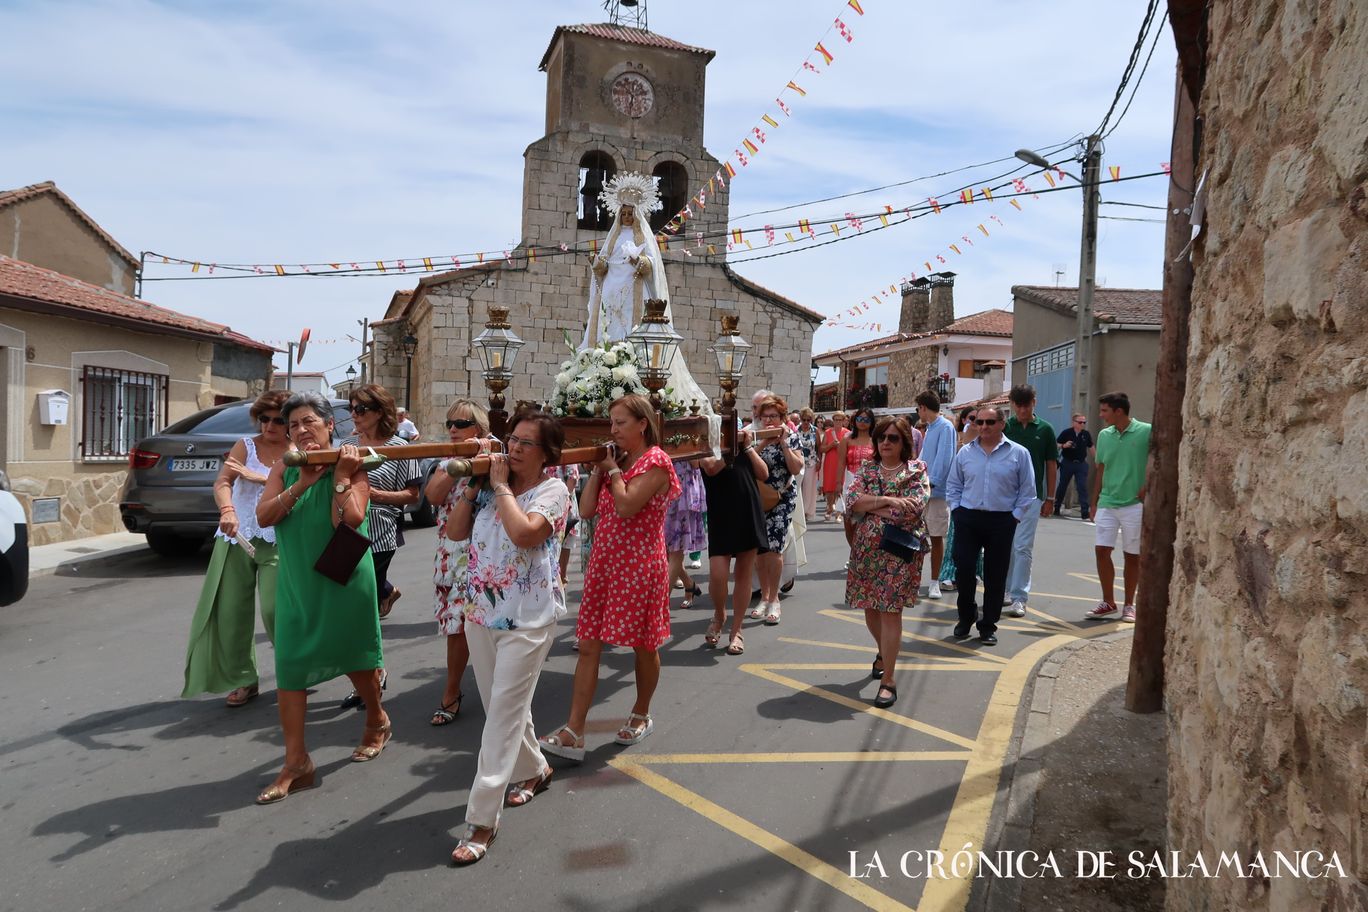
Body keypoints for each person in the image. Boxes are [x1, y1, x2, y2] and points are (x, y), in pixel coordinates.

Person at [443, 411, 569, 866]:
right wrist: (475, 486)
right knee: (507, 708)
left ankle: (481, 819)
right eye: (511, 440)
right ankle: (536, 768)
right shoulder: (485, 488)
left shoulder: (554, 491)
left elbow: (524, 534)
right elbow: (455, 533)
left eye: (525, 444)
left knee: (499, 720)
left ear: (547, 455)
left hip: (529, 620)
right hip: (482, 613)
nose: (513, 449)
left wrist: (498, 488)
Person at [253, 392, 386, 805]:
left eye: (309, 421)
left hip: (343, 579)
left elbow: (348, 520)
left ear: (331, 425)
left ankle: (377, 720)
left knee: (356, 659)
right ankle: (297, 763)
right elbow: (264, 516)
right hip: (298, 584)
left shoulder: (352, 463)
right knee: (290, 666)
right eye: (293, 425)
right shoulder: (284, 468)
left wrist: (340, 476)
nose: (300, 430)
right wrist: (304, 483)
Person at [539, 395, 680, 760]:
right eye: (611, 423)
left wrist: (613, 472)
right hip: (605, 565)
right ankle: (575, 729)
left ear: (642, 424)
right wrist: (601, 470)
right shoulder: (615, 461)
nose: (613, 430)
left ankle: (641, 712)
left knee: (643, 645)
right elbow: (586, 510)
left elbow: (628, 504)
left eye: (620, 423)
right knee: (588, 644)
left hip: (640, 566)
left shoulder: (657, 462)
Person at [182, 389, 292, 707]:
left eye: (278, 419)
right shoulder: (245, 445)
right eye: (264, 418)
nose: (269, 425)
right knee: (231, 613)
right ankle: (243, 678)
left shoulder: (295, 450)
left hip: (278, 537)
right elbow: (223, 481)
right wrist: (227, 510)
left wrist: (256, 477)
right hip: (238, 536)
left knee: (277, 610)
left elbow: (295, 484)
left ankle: (295, 671)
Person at [581, 172, 710, 411]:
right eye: (624, 213)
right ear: (619, 214)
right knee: (606, 331)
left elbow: (651, 266)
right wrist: (596, 263)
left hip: (634, 292)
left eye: (631, 213)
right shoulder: (613, 237)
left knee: (633, 333)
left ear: (637, 214)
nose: (628, 217)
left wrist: (637, 261)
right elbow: (603, 266)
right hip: (611, 291)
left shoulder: (644, 235)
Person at [338, 384, 420, 710]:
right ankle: (365, 677)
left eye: (361, 410)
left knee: (361, 610)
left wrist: (374, 496)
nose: (354, 416)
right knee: (347, 607)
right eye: (352, 409)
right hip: (347, 531)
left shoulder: (399, 447)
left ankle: (373, 675)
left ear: (379, 412)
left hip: (381, 532)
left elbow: (413, 496)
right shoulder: (346, 446)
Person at [845, 416, 929, 708]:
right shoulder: (868, 468)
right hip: (866, 551)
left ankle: (888, 679)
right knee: (870, 608)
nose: (886, 442)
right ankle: (883, 652)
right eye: (882, 437)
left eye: (893, 438)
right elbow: (851, 502)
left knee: (890, 612)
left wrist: (873, 505)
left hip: (897, 551)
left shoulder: (916, 470)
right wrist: (890, 500)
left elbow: (914, 510)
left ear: (904, 441)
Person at [425, 399, 495, 726]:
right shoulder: (446, 460)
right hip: (452, 552)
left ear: (478, 428)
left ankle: (496, 690)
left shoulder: (495, 455)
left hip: (488, 550)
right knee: (456, 625)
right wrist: (457, 464)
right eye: (449, 423)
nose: (453, 429)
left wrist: (480, 457)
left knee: (487, 623)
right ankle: (451, 691)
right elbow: (434, 496)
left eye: (461, 423)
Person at [944, 405, 1036, 646]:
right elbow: (953, 485)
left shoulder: (1019, 453)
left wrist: (1014, 516)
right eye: (979, 422)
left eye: (989, 422)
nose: (983, 427)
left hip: (1001, 520)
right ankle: (966, 617)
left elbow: (1028, 491)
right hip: (968, 518)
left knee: (995, 576)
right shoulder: (965, 453)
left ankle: (988, 626)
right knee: (963, 570)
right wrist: (957, 510)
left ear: (1002, 425)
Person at [698, 429, 769, 655]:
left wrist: (747, 447)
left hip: (748, 511)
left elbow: (763, 473)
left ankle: (737, 630)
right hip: (721, 514)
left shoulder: (744, 448)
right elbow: (711, 468)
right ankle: (719, 614)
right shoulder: (705, 448)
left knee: (743, 574)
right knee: (718, 574)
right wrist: (730, 446)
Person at [1084, 392, 1152, 622]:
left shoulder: (1146, 431)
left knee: (1132, 555)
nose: (1101, 415)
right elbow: (1101, 469)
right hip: (1107, 502)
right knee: (1102, 551)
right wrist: (1094, 501)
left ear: (1118, 411)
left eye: (1104, 410)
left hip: (1135, 504)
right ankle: (1108, 602)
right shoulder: (1104, 435)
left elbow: (1158, 460)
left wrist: (1148, 486)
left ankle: (1129, 605)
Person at [1003, 385, 1059, 619]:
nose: (1023, 410)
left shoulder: (1045, 430)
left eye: (1026, 405)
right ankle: (1004, 590)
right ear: (1013, 404)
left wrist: (1051, 497)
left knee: (1023, 546)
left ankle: (1019, 597)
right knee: (1005, 546)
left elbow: (1051, 464)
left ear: (1034, 403)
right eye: (1018, 405)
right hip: (1005, 496)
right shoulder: (1005, 427)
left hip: (1032, 496)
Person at [751, 394, 804, 625]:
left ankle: (774, 599)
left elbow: (795, 467)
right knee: (759, 550)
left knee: (775, 549)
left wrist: (782, 443)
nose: (770, 421)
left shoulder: (792, 437)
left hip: (782, 497)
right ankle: (763, 596)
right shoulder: (754, 437)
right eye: (765, 416)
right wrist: (763, 442)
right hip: (758, 498)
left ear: (783, 417)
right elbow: (747, 466)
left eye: (774, 416)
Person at [938, 406, 984, 593]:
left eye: (979, 420)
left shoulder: (988, 441)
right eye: (972, 418)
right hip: (963, 501)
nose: (976, 423)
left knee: (979, 543)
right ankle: (949, 574)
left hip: (982, 501)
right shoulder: (957, 439)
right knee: (955, 540)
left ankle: (974, 572)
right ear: (964, 419)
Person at [915, 391, 956, 601]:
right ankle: (915, 580)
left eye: (918, 409)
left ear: (923, 407)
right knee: (918, 536)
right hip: (923, 489)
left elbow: (945, 457)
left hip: (937, 492)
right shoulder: (930, 428)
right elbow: (924, 457)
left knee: (937, 537)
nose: (918, 413)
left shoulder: (946, 427)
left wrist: (933, 481)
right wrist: (913, 472)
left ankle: (934, 582)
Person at [664, 458, 707, 608]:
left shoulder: (691, 434)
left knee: (675, 551)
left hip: (682, 493)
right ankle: (690, 585)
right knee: (665, 551)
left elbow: (696, 463)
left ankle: (660, 607)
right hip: (661, 489)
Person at [837, 408, 878, 559]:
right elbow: (841, 463)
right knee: (849, 522)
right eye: (859, 419)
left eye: (866, 419)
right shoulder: (846, 439)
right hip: (849, 481)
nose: (862, 422)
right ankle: (855, 553)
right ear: (854, 421)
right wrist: (837, 485)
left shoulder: (876, 440)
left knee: (867, 521)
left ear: (871, 422)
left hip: (870, 484)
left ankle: (866, 554)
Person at [1055, 413, 1094, 520]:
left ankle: (1085, 511)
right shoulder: (1066, 433)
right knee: (1063, 485)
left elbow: (1091, 447)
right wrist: (1064, 445)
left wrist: (1097, 461)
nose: (1082, 424)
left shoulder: (1086, 434)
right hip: (1068, 462)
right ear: (1074, 423)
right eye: (1080, 422)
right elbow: (1056, 444)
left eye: (1084, 422)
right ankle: (1057, 507)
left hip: (1081, 463)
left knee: (1082, 486)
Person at [820, 412, 851, 521]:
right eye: (836, 420)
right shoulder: (828, 432)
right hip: (830, 462)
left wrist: (841, 447)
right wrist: (831, 445)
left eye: (840, 420)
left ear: (843, 421)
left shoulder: (848, 433)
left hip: (841, 462)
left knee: (840, 487)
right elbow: (821, 449)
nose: (837, 422)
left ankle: (838, 513)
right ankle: (830, 507)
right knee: (829, 488)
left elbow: (851, 449)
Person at [794, 408, 820, 521]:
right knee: (798, 486)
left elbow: (819, 447)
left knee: (809, 488)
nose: (805, 422)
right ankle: (796, 511)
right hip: (798, 462)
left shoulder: (815, 430)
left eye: (808, 419)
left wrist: (820, 461)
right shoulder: (796, 430)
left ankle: (806, 512)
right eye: (804, 419)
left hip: (811, 462)